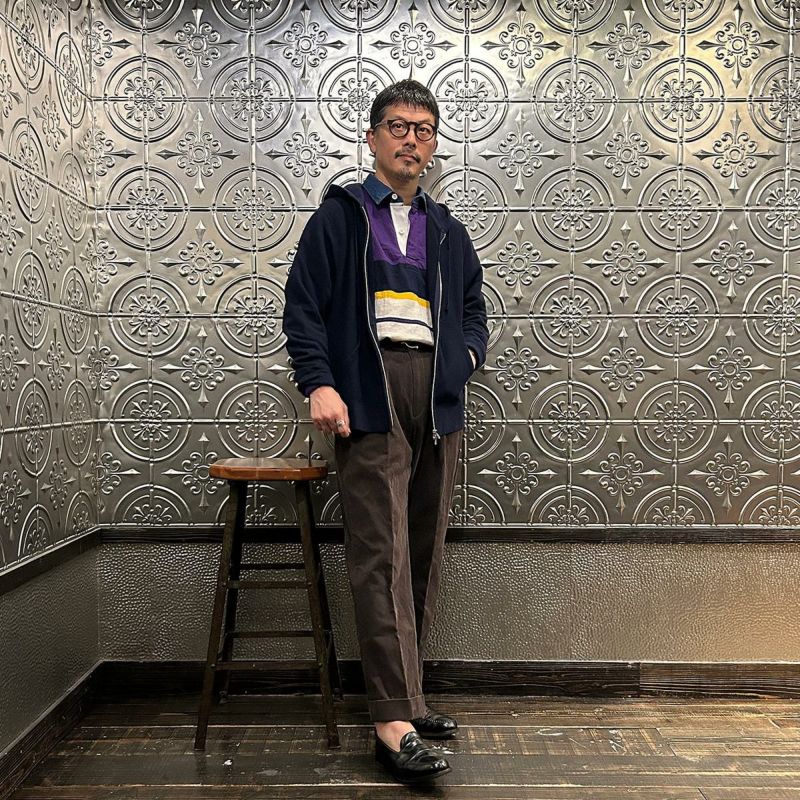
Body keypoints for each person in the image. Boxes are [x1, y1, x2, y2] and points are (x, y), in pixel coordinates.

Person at [283, 79, 488, 784]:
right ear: (372, 138)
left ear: (433, 146)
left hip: (435, 393)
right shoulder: (339, 217)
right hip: (368, 393)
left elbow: (473, 312)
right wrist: (320, 383)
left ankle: (410, 697)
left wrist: (461, 362)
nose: (411, 139)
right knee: (381, 551)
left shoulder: (448, 230)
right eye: (398, 126)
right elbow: (303, 307)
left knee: (421, 547)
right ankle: (391, 722)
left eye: (424, 129)